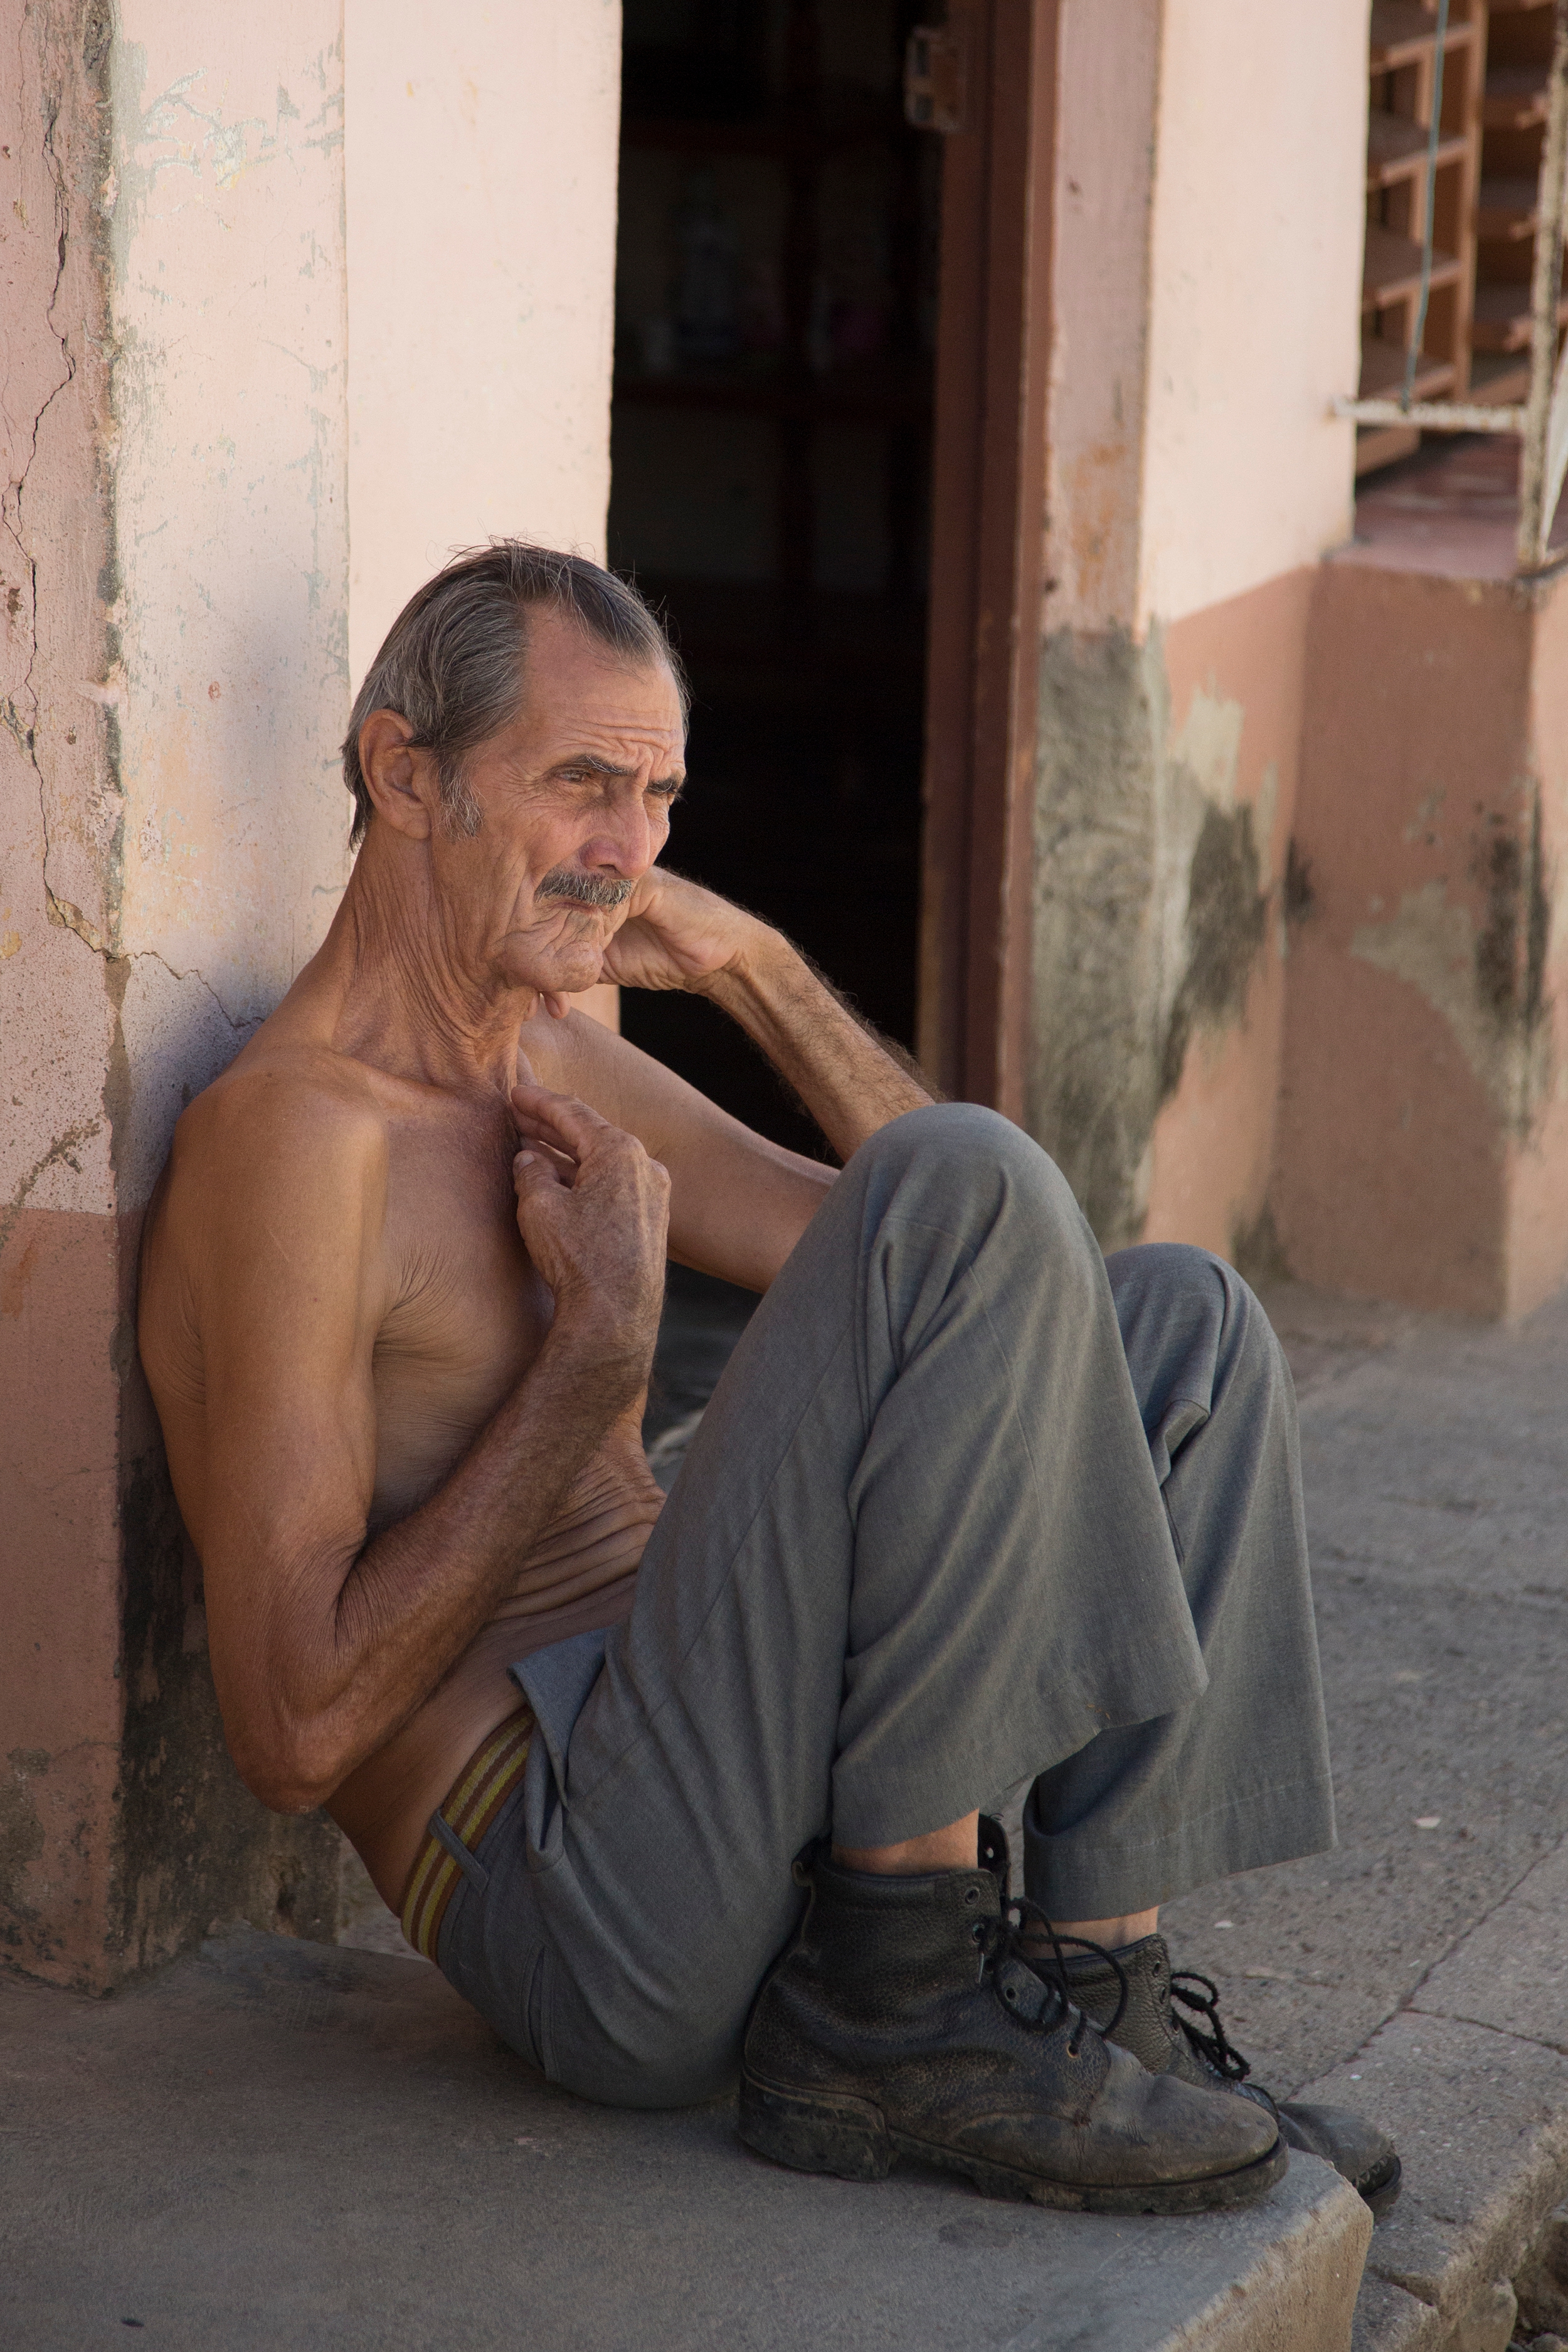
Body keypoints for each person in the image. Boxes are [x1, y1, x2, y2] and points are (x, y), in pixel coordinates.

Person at [139, 543, 1398, 2220]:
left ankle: (1087, 1997)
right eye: (584, 784)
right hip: (585, 1897)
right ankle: (898, 1999)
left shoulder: (557, 1063)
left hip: (738, 1802)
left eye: (657, 798)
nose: (627, 851)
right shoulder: (296, 1141)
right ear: (404, 772)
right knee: (968, 1192)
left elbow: (996, 1276)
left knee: (1177, 1327)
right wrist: (591, 1365)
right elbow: (286, 1734)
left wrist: (759, 975)